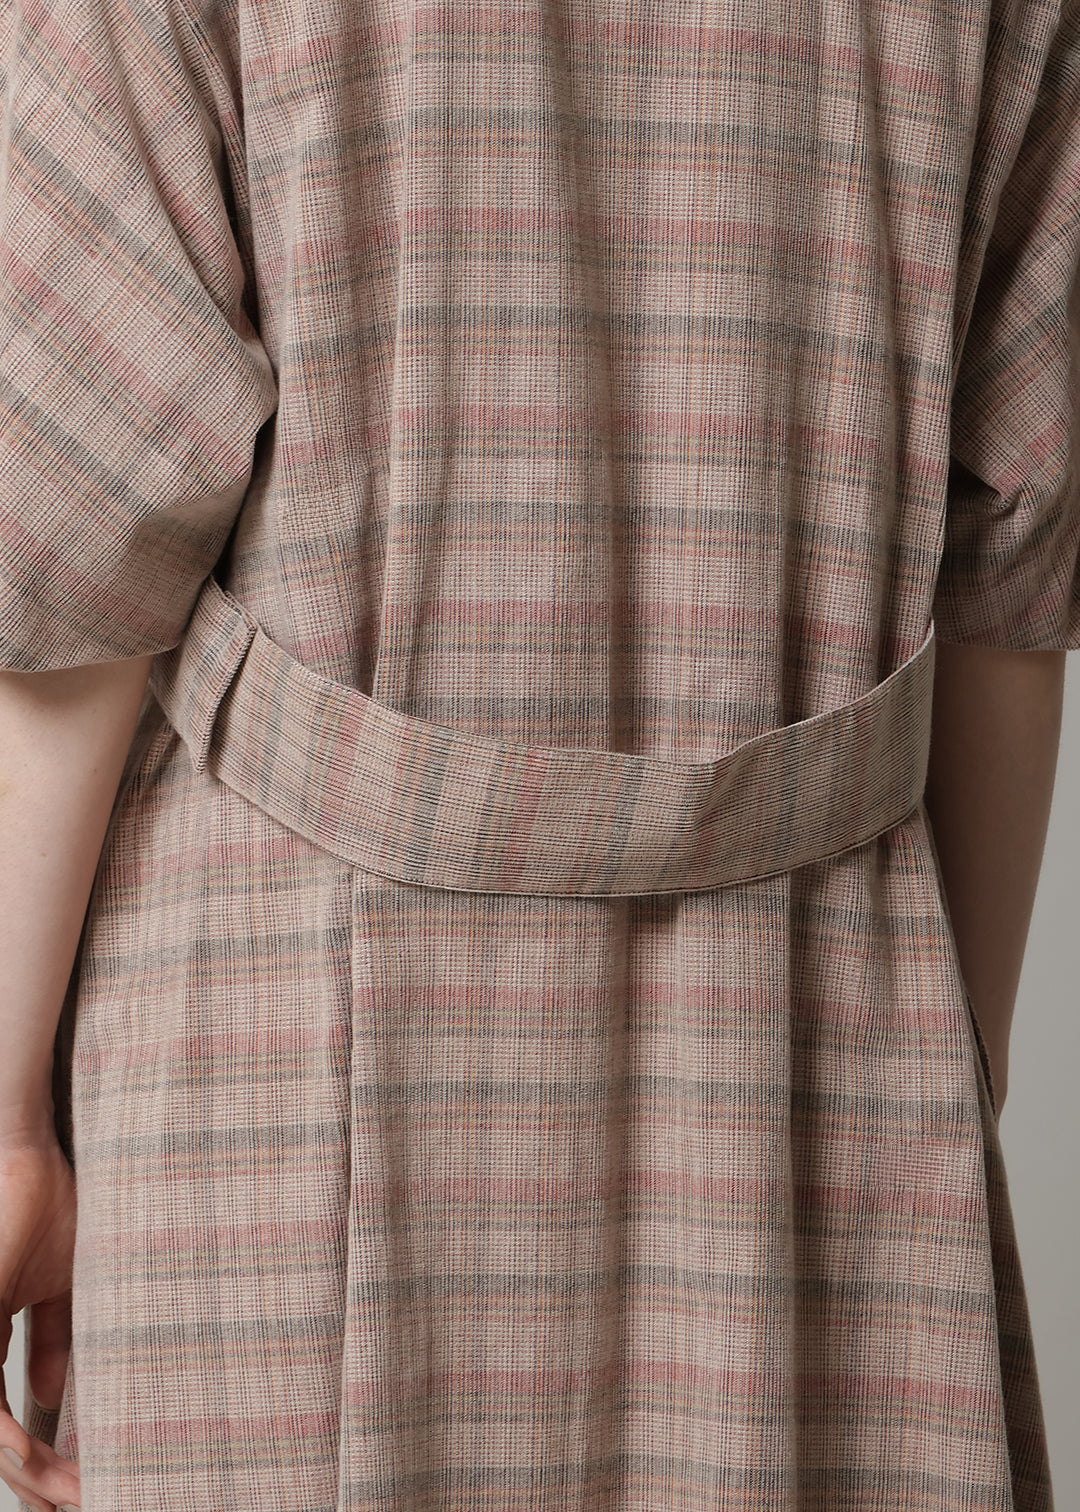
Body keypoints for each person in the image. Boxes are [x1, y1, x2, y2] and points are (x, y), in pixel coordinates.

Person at [0, 0, 1074, 1506]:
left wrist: (10, 1123)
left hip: (279, 1030)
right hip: (824, 1025)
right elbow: (1019, 548)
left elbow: (86, 505)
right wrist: (946, 1074)